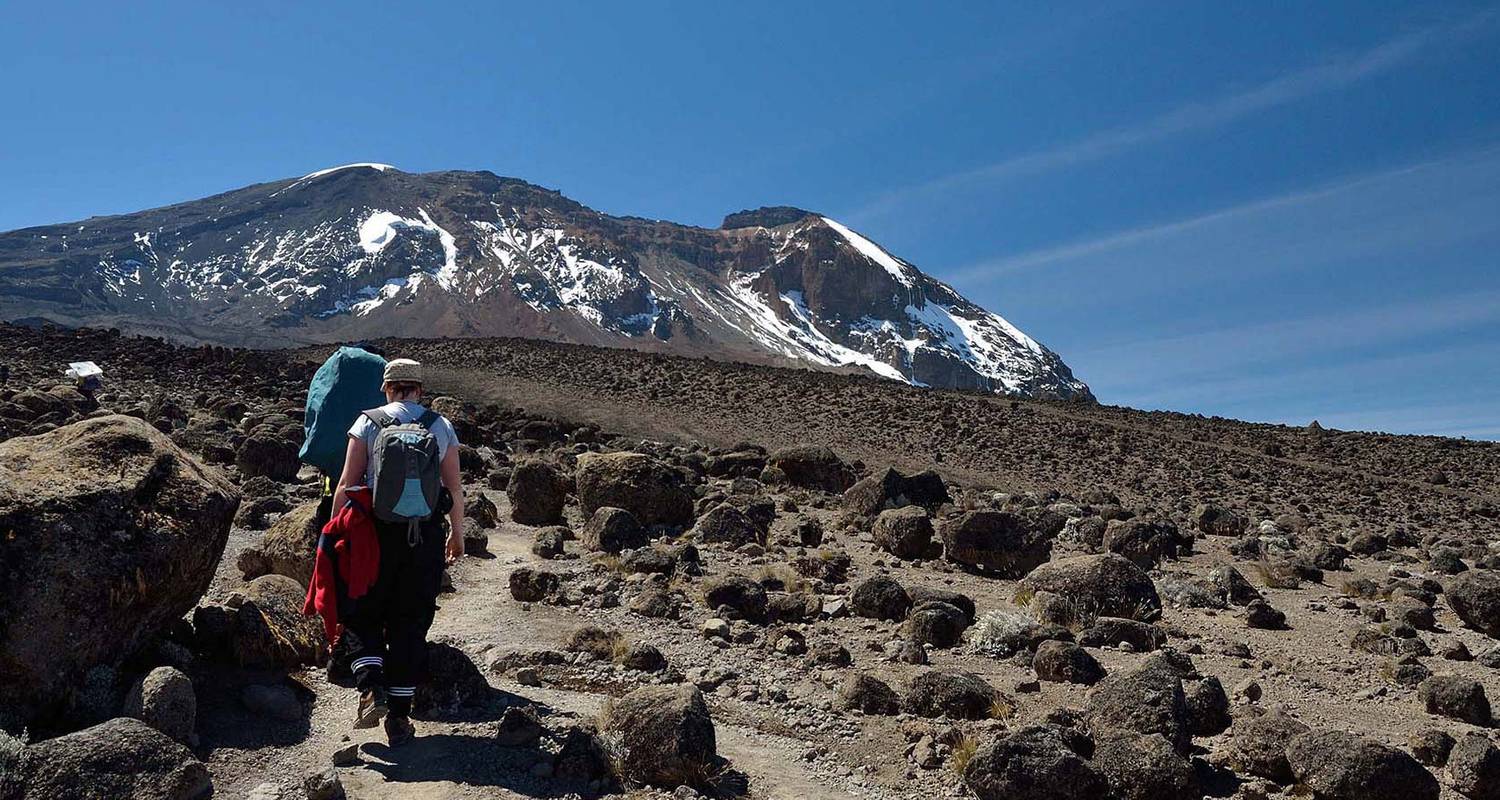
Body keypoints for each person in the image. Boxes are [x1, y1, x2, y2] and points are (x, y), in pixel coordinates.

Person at [331, 358, 465, 745]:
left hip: (375, 536)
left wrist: (337, 534)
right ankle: (400, 719)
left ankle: (372, 689)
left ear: (387, 387)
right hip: (423, 538)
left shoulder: (368, 422)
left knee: (363, 612)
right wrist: (457, 534)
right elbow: (454, 488)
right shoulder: (440, 426)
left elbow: (346, 483)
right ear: (420, 389)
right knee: (411, 621)